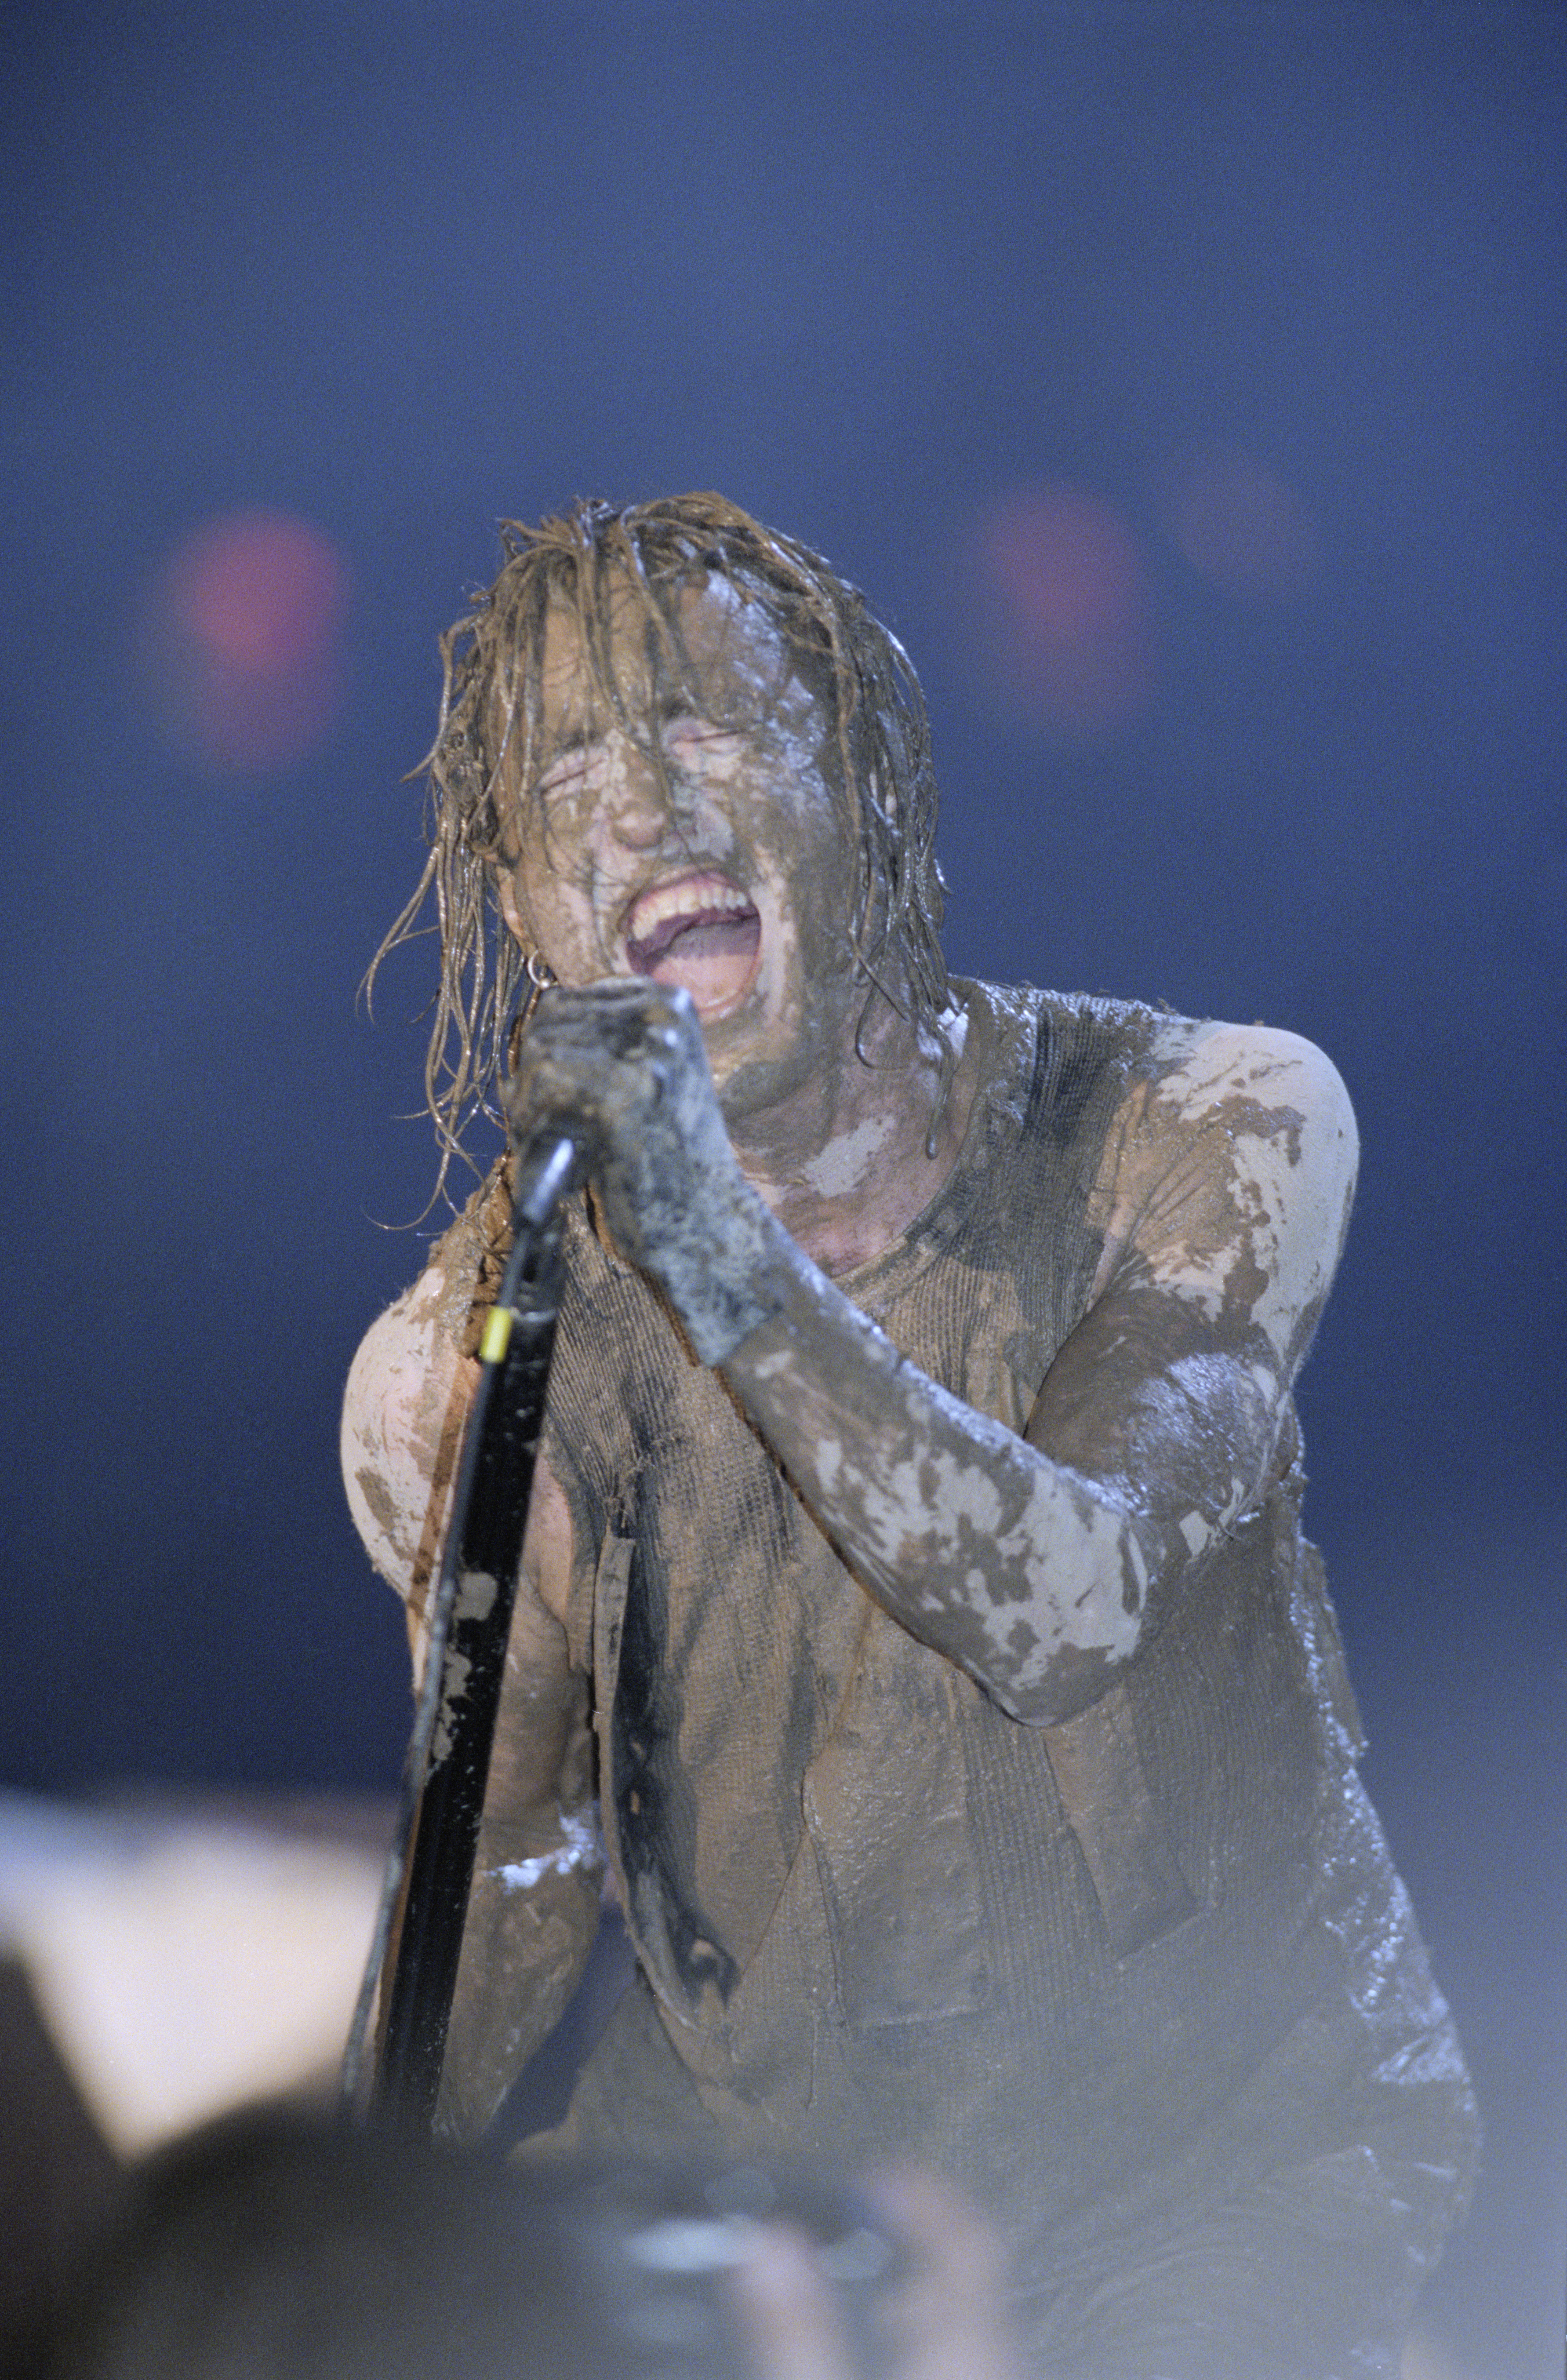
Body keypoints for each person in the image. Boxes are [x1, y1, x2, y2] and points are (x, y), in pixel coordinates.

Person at [342, 494, 1477, 2377]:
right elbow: (522, 1859)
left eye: (703, 720)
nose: (642, 804)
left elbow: (1068, 1602)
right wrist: (327, 2232)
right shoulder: (461, 1361)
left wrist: (712, 1239)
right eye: (567, 764)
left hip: (1215, 2174)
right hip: (764, 2194)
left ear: (858, 783)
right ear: (525, 898)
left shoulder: (1201, 1127)